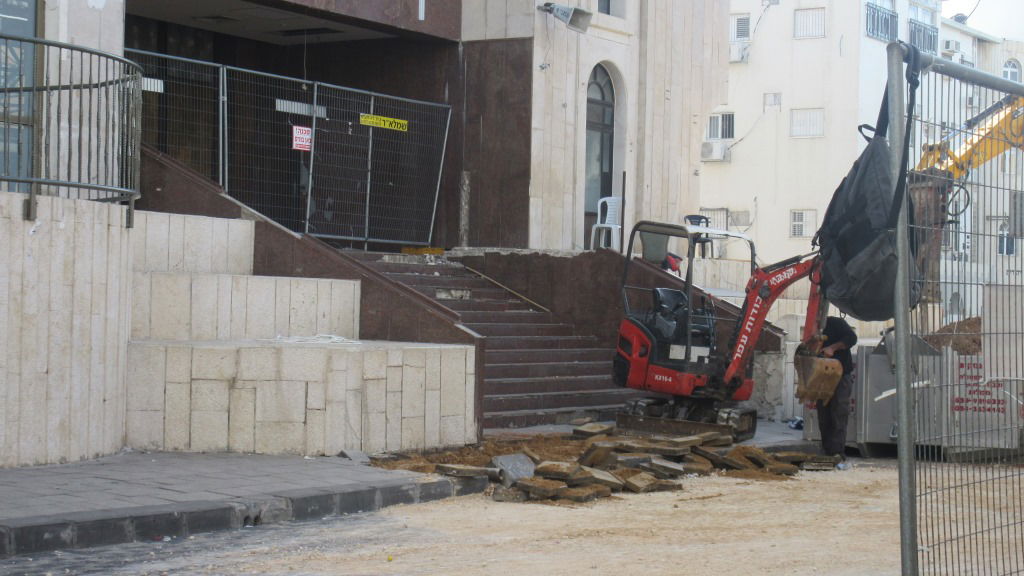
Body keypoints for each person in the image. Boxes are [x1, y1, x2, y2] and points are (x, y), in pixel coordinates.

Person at [817, 316, 857, 459]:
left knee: (839, 412)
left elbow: (852, 338)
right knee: (823, 415)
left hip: (841, 376)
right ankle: (827, 450)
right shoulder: (812, 328)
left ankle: (837, 452)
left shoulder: (835, 323)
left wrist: (832, 348)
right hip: (821, 377)